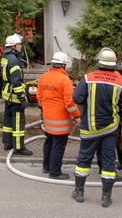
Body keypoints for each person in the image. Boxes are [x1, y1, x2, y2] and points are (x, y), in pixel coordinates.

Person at [71, 47, 122, 208]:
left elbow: (77, 98)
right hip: (110, 129)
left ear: (99, 61)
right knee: (108, 163)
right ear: (114, 65)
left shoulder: (88, 78)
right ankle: (106, 197)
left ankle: (79, 192)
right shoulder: (121, 81)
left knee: (83, 159)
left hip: (89, 128)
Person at [37, 51, 81, 180]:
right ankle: (55, 172)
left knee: (49, 141)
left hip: (47, 117)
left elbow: (39, 98)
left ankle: (46, 167)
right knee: (58, 145)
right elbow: (69, 103)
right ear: (63, 65)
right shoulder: (65, 80)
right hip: (60, 119)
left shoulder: (44, 77)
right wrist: (77, 115)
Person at [1, 33, 32, 155]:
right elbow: (17, 81)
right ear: (13, 46)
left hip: (7, 93)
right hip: (14, 96)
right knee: (18, 122)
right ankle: (19, 147)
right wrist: (22, 98)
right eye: (19, 44)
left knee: (8, 120)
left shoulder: (6, 57)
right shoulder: (14, 61)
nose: (20, 46)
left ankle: (7, 143)